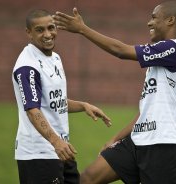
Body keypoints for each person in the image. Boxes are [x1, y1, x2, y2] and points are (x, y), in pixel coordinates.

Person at [53, 1, 176, 183]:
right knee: (88, 178)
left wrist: (82, 29)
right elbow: (147, 112)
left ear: (170, 20)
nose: (149, 23)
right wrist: (115, 139)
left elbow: (120, 50)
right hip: (138, 140)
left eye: (153, 17)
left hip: (166, 144)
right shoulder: (161, 57)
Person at [12, 9, 111, 184]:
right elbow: (33, 110)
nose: (48, 34)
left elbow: (52, 102)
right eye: (40, 30)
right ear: (29, 33)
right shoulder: (27, 66)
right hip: (39, 155)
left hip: (62, 150)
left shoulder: (55, 58)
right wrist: (56, 142)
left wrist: (83, 105)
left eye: (51, 28)